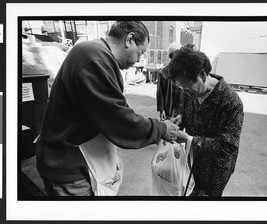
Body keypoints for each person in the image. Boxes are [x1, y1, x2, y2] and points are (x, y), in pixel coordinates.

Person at [36, 21, 179, 196]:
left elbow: (111, 110)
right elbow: (119, 120)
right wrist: (161, 128)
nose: (138, 60)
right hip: (68, 168)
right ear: (130, 39)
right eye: (140, 52)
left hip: (73, 160)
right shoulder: (94, 58)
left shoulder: (95, 53)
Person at [169, 46, 244, 197]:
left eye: (186, 85)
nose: (184, 90)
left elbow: (227, 145)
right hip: (192, 160)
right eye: (180, 86)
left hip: (215, 171)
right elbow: (185, 109)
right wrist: (181, 118)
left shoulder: (230, 101)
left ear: (202, 75)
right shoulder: (191, 91)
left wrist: (189, 139)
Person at [156, 42, 183, 121]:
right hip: (169, 109)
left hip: (181, 109)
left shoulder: (183, 71)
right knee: (169, 130)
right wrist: (161, 110)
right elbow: (160, 93)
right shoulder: (163, 73)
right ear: (171, 56)